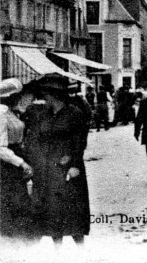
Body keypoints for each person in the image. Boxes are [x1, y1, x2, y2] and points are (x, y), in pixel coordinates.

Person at [24, 74, 91, 246]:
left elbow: (80, 141)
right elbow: (36, 138)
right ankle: (57, 251)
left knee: (73, 211)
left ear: (54, 94)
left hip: (69, 167)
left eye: (46, 94)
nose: (44, 97)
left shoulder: (74, 113)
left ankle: (81, 249)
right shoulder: (44, 114)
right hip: (49, 168)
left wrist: (74, 163)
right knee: (53, 212)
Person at [0, 79, 35, 242]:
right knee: (12, 200)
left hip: (16, 158)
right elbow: (0, 148)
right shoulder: (1, 114)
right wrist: (20, 162)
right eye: (17, 95)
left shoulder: (12, 112)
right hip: (7, 163)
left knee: (19, 198)